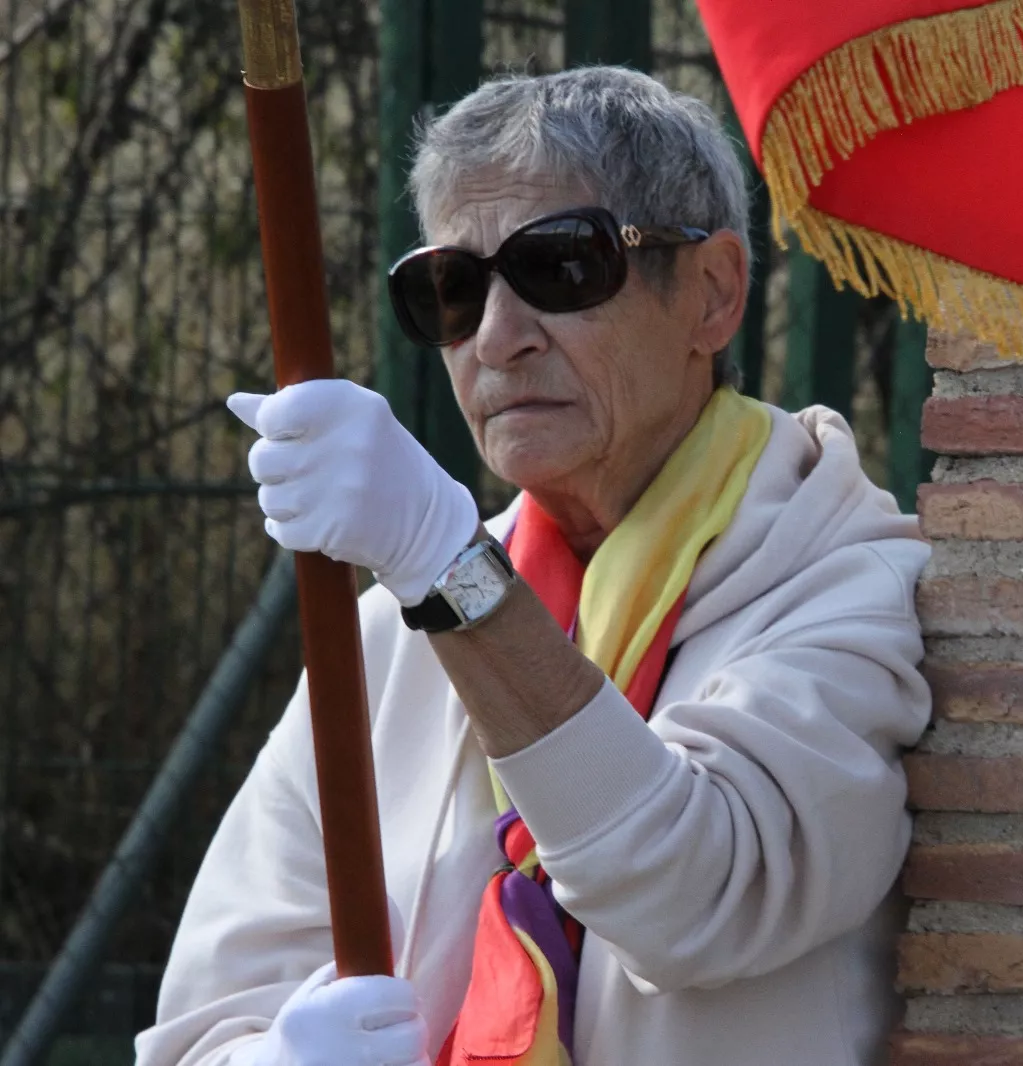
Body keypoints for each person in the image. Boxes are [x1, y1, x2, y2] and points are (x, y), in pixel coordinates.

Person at [133, 66, 931, 1066]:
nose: (497, 339)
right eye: (453, 290)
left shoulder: (848, 585)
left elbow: (694, 898)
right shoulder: (385, 643)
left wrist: (448, 570)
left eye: (559, 267)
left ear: (713, 293)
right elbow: (201, 1030)